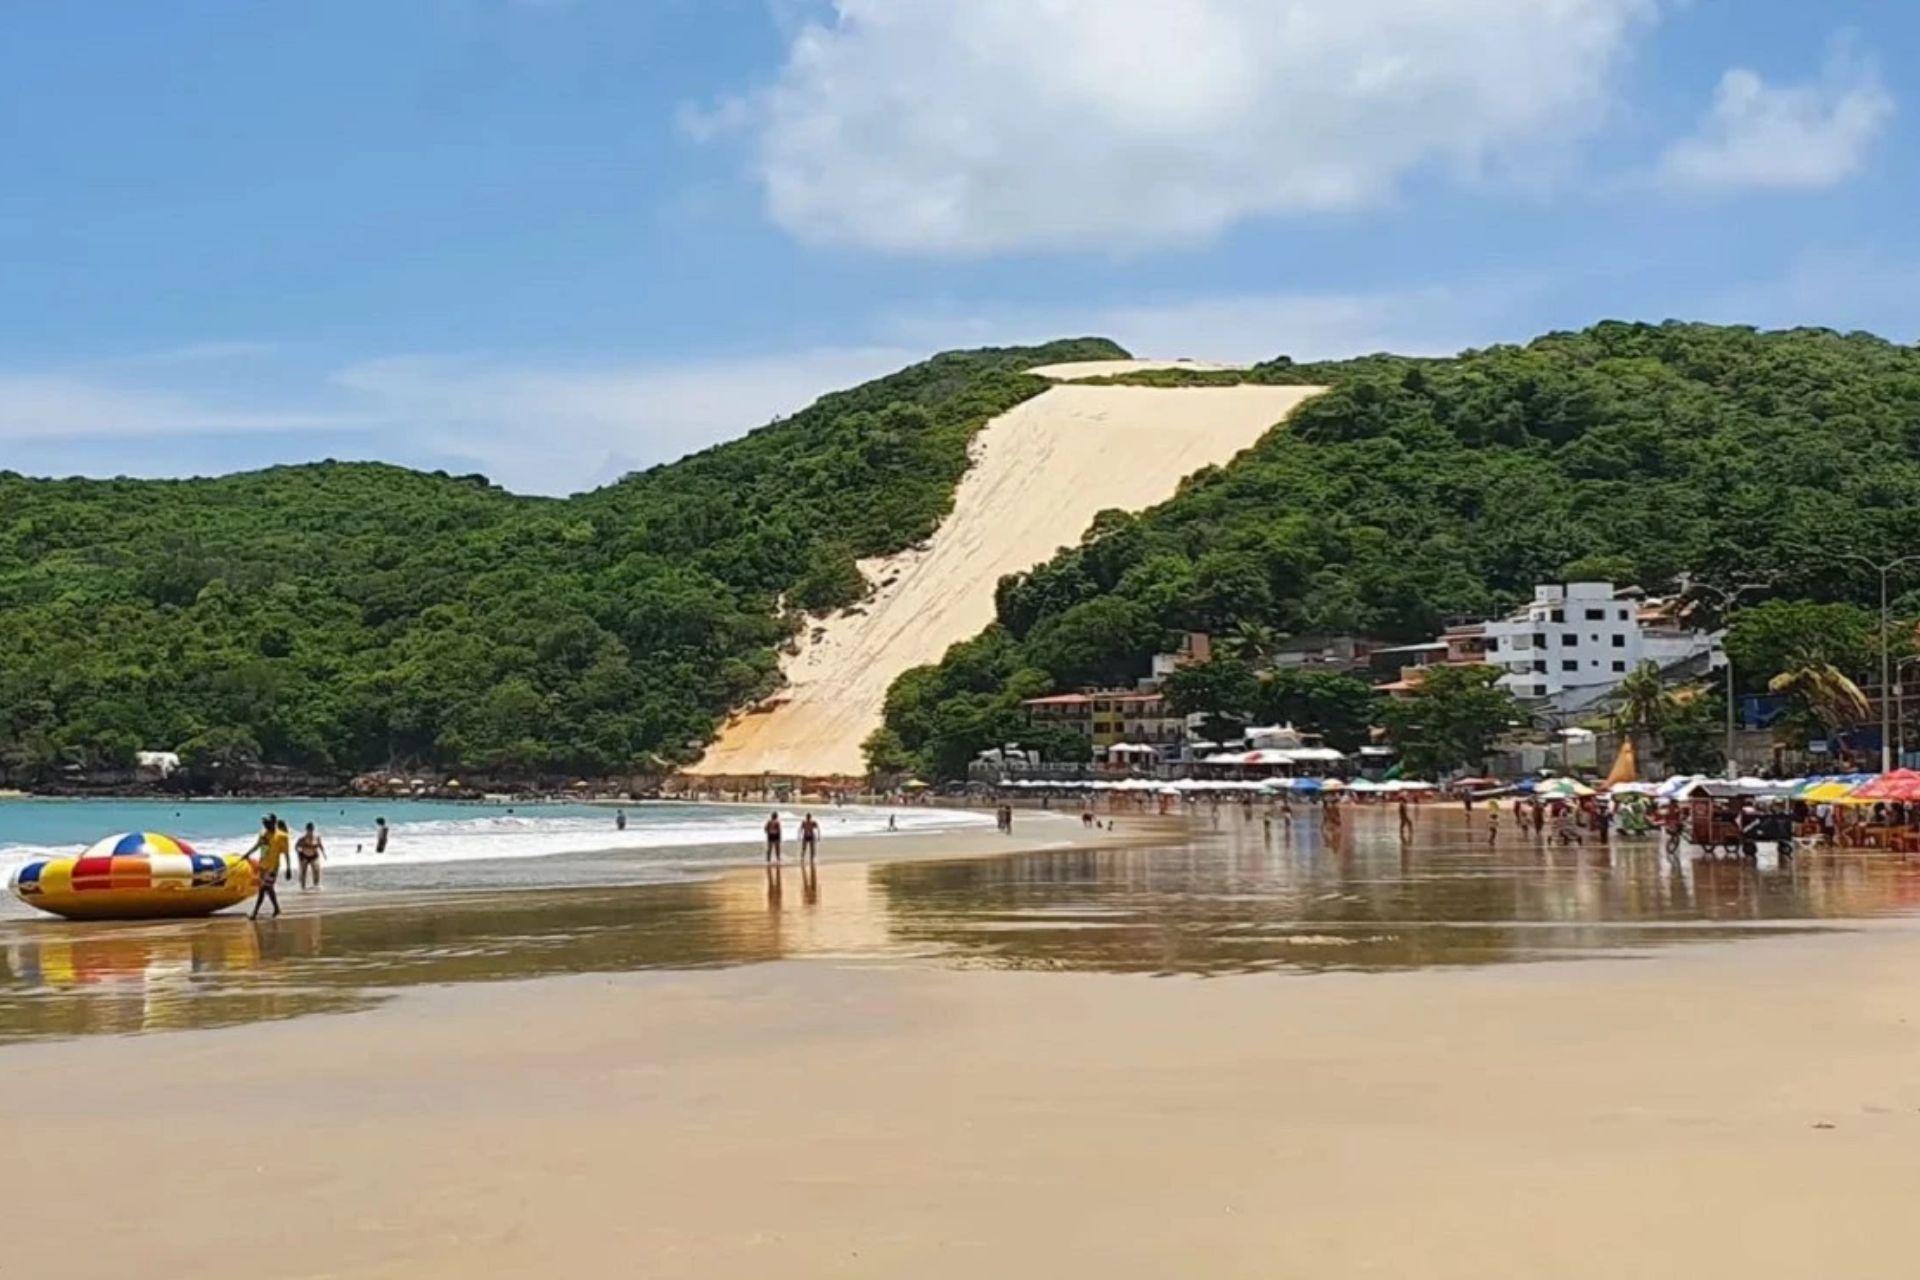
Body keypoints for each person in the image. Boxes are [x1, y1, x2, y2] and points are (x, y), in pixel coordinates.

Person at [245, 816, 282, 920]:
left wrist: (288, 867)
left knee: (264, 888)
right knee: (268, 888)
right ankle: (276, 908)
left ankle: (255, 912)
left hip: (273, 867)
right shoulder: (263, 835)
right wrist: (247, 854)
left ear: (273, 823)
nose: (265, 825)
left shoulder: (279, 836)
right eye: (264, 823)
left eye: (267, 822)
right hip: (263, 865)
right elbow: (258, 846)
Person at [296, 821, 326, 889]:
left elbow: (320, 845)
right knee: (303, 872)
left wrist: (324, 854)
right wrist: (299, 854)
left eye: (311, 829)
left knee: (316, 871)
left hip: (314, 856)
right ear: (306, 830)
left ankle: (316, 886)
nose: (310, 831)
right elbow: (296, 846)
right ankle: (302, 887)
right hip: (304, 856)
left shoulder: (317, 838)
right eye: (309, 829)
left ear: (313, 829)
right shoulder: (302, 839)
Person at [272, 817, 293, 882]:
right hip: (271, 862)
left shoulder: (284, 838)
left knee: (269, 882)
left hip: (272, 862)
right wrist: (288, 868)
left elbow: (286, 854)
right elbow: (287, 855)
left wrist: (288, 868)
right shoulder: (272, 834)